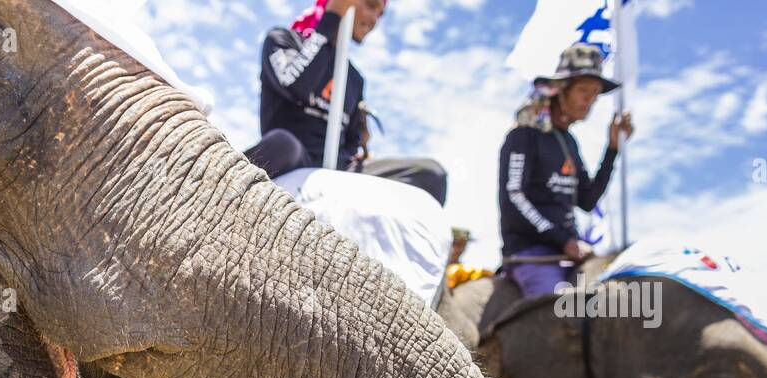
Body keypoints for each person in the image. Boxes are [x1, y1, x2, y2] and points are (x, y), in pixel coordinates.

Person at [248, 0, 449, 204]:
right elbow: (294, 85)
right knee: (283, 144)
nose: (374, 20)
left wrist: (359, 141)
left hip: (340, 168)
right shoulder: (282, 39)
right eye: (371, 5)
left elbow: (351, 143)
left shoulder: (354, 79)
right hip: (293, 157)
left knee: (431, 174)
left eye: (380, 15)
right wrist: (332, 16)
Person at [498, 43, 634, 298]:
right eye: (583, 90)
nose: (589, 100)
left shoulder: (568, 142)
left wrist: (612, 148)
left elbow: (587, 199)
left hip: (569, 254)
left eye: (595, 93)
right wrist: (564, 241)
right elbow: (513, 197)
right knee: (560, 311)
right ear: (560, 90)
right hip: (531, 254)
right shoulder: (524, 135)